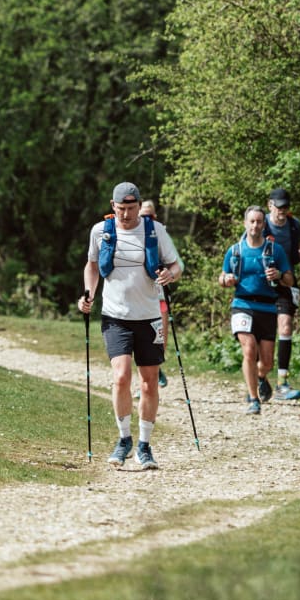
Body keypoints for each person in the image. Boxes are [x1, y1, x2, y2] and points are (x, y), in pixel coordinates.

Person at [78, 182, 182, 470]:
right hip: (115, 317)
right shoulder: (100, 231)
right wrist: (88, 294)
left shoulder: (155, 231)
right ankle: (124, 439)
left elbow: (176, 265)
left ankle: (144, 446)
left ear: (139, 206)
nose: (126, 214)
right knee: (121, 376)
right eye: (121, 208)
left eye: (131, 208)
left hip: (149, 317)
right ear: (113, 206)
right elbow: (92, 266)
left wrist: (170, 275)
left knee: (149, 382)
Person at [218, 205, 294, 414]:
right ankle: (253, 399)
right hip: (242, 304)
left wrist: (279, 275)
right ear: (245, 223)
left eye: (259, 221)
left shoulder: (275, 250)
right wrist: (227, 279)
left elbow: (290, 279)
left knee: (267, 362)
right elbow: (222, 277)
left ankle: (260, 377)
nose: (255, 225)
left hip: (267, 307)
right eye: (252, 221)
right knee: (249, 349)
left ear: (264, 224)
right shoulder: (235, 250)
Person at [265, 187, 300, 401]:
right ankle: (259, 377)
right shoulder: (260, 224)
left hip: (287, 280)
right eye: (279, 207)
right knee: (263, 333)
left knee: (285, 326)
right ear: (270, 205)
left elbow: (299, 247)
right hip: (262, 283)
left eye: (285, 207)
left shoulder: (294, 225)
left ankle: (282, 383)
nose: (282, 211)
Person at [140, 199, 170, 389]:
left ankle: (157, 368)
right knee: (141, 341)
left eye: (149, 216)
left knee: (161, 337)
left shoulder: (161, 234)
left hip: (159, 294)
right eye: (143, 216)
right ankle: (143, 385)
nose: (146, 219)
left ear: (155, 217)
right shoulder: (131, 235)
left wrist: (169, 273)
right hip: (139, 296)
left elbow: (177, 264)